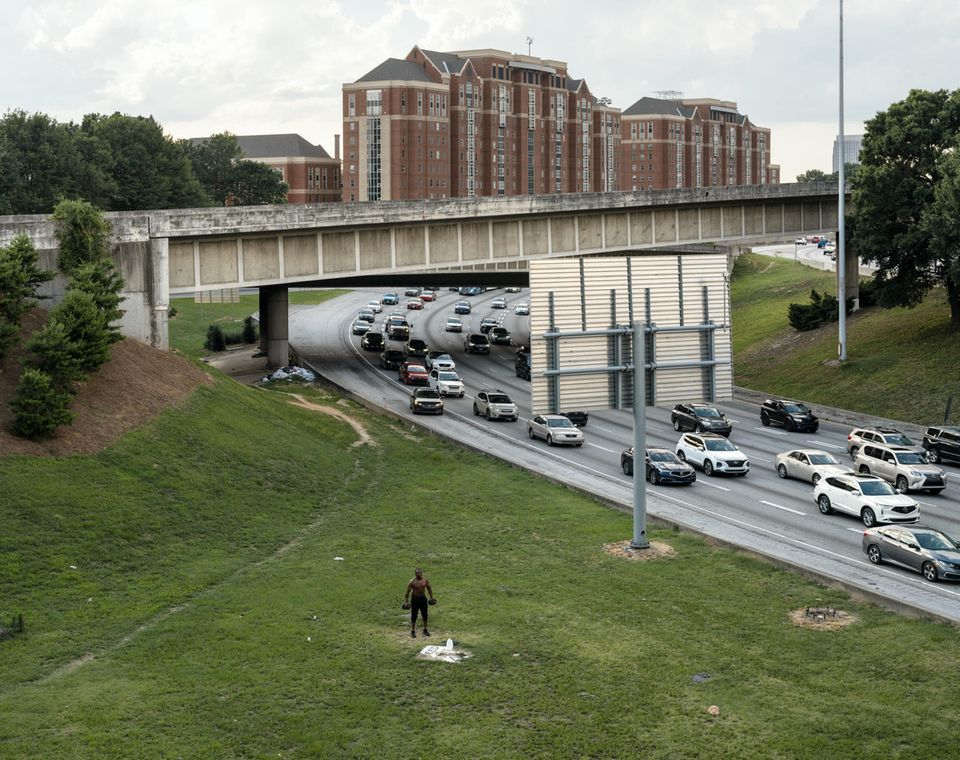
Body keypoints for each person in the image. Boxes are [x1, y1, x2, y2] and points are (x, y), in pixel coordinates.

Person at [404, 567, 435, 638]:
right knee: (414, 615)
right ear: (415, 574)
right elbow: (407, 592)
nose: (419, 574)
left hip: (423, 598)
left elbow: (429, 588)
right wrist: (406, 602)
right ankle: (412, 630)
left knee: (425, 614)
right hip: (415, 599)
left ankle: (425, 629)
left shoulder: (425, 580)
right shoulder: (412, 582)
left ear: (422, 573)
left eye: (420, 573)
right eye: (417, 573)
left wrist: (431, 597)